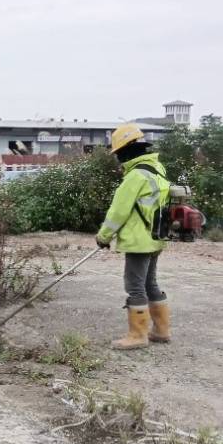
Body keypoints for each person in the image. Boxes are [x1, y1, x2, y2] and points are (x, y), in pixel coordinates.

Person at [95, 124, 172, 350]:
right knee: (150, 283)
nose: (118, 158)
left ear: (126, 151)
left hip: (139, 241)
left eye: (118, 153)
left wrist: (103, 236)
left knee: (135, 286)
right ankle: (161, 331)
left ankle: (138, 336)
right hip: (156, 236)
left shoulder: (135, 177)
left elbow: (118, 212)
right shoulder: (157, 169)